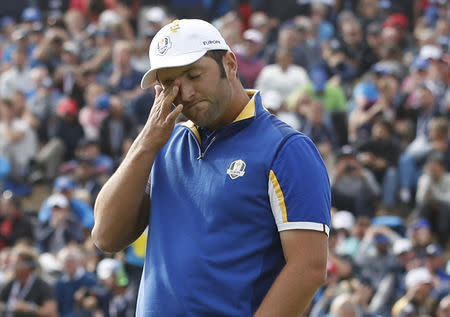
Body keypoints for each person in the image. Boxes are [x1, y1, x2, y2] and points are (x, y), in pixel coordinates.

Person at [93, 18, 331, 316]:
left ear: (230, 64)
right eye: (169, 84)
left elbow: (308, 269)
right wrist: (145, 143)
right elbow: (106, 236)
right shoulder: (163, 143)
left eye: (194, 75)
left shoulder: (287, 149)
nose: (186, 92)